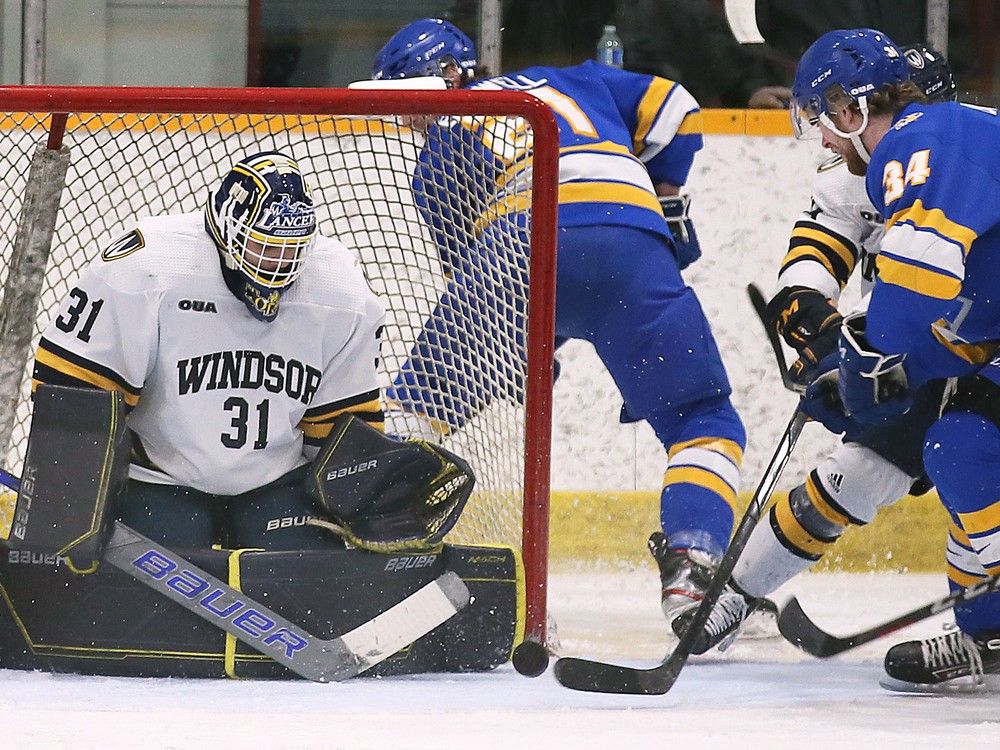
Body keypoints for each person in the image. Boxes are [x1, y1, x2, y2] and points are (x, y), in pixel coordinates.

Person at [372, 17, 749, 629]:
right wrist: (668, 194)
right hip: (630, 238)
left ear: (447, 76)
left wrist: (526, 356)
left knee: (417, 412)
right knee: (702, 419)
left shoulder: (442, 145)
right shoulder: (579, 76)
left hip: (518, 244)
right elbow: (676, 108)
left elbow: (488, 280)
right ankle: (693, 564)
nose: (408, 119)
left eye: (408, 98)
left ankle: (362, 547)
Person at [677, 42, 963, 655]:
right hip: (921, 348)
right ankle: (735, 594)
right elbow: (813, 260)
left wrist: (862, 355)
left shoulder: (960, 162)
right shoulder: (861, 174)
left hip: (967, 345)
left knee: (970, 460)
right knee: (858, 471)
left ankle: (986, 632)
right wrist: (823, 329)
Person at [753, 28, 1000, 690]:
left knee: (942, 451)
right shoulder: (937, 138)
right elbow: (969, 312)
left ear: (849, 108)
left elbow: (917, 281)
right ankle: (991, 634)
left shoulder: (917, 144)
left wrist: (865, 362)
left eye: (824, 123)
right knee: (964, 445)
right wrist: (874, 362)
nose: (826, 144)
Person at [31, 150, 387, 551]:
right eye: (266, 247)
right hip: (162, 477)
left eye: (292, 248)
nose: (281, 264)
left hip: (278, 482)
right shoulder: (151, 267)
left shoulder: (341, 292)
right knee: (142, 599)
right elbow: (74, 389)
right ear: (226, 230)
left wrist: (368, 500)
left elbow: (339, 425)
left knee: (308, 587)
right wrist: (66, 515)